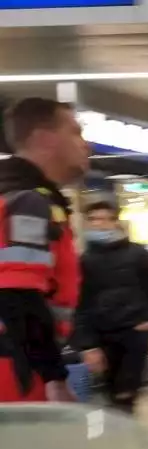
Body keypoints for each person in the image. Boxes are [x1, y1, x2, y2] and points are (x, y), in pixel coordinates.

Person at [0, 97, 89, 404]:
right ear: (44, 138)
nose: (85, 144)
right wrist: (54, 377)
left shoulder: (12, 195)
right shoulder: (27, 202)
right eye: (75, 132)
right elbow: (16, 293)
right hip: (17, 371)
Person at [73, 200, 148, 411]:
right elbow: (81, 305)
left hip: (133, 334)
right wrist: (88, 345)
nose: (99, 224)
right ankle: (106, 437)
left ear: (115, 222)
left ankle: (125, 437)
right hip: (102, 338)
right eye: (93, 219)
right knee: (103, 397)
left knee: (125, 395)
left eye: (104, 219)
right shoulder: (85, 260)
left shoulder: (137, 254)